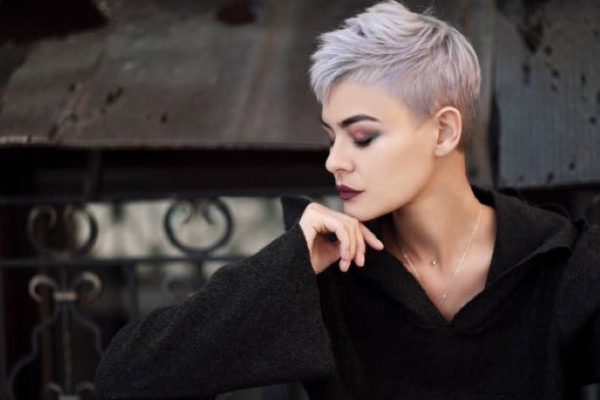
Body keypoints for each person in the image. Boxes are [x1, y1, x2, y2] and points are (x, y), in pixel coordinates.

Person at [95, 1, 600, 399]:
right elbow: (127, 380)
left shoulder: (556, 260)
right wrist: (287, 264)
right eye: (330, 137)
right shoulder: (333, 274)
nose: (334, 161)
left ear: (444, 131)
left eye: (361, 137)